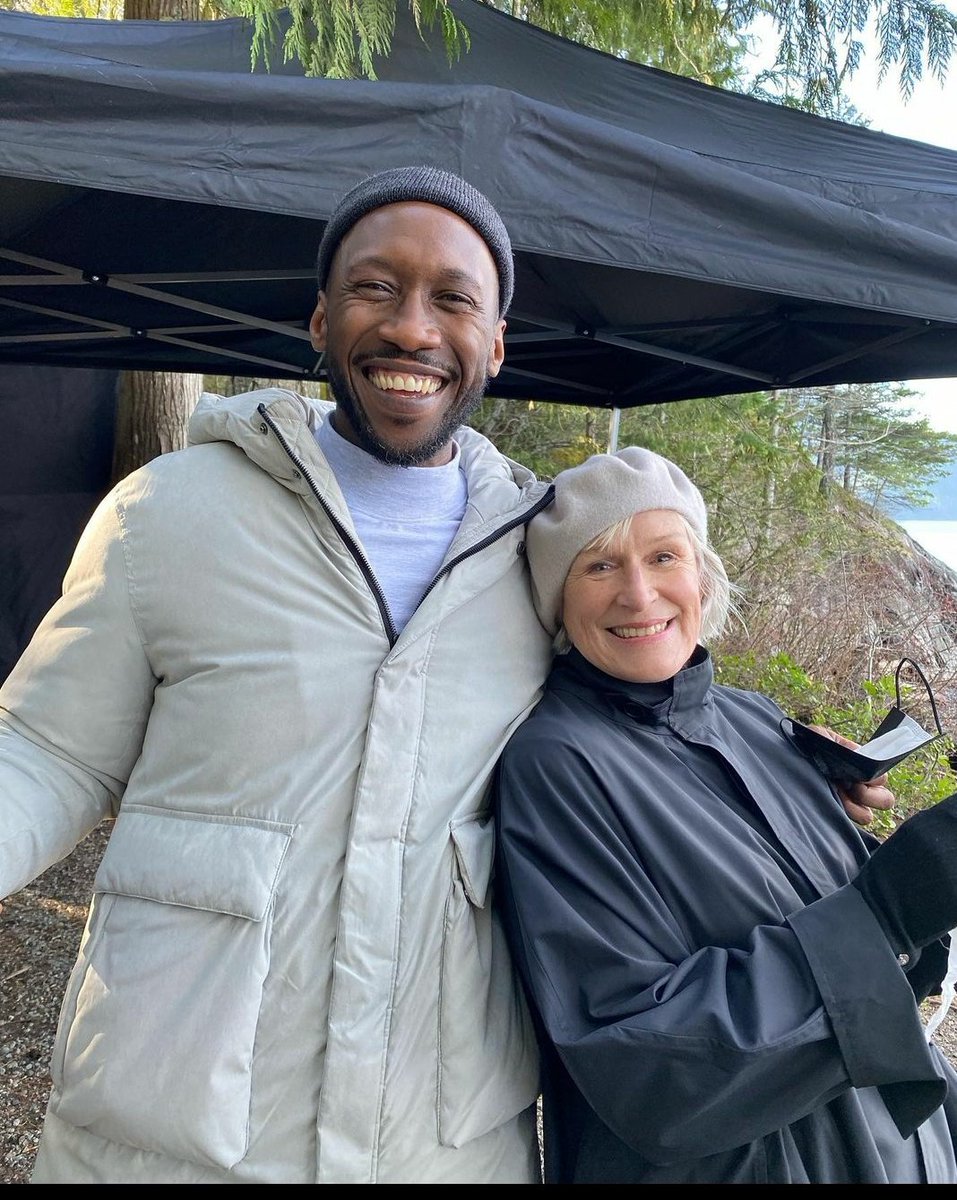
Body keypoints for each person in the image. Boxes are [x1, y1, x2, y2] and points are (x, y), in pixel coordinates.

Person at [0, 167, 894, 1184]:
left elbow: (642, 713)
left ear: (498, 343)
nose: (413, 330)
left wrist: (783, 779)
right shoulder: (169, 511)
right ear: (320, 319)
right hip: (162, 1141)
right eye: (376, 288)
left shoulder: (539, 549)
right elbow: (43, 748)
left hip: (440, 1150)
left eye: (454, 299)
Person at [493, 445, 957, 1184]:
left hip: (889, 1149)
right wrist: (897, 901)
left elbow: (876, 964)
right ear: (555, 597)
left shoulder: (754, 720)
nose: (639, 596)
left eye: (664, 556)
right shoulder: (554, 766)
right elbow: (646, 1069)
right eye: (598, 565)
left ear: (701, 576)